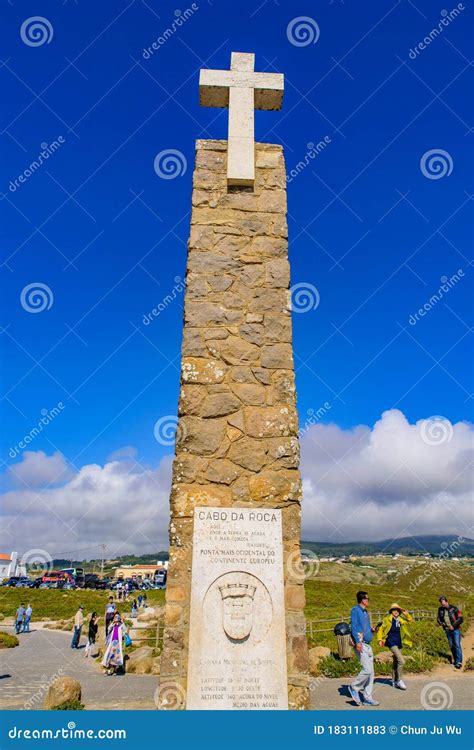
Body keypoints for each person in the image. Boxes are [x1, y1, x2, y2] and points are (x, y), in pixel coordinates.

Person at [349, 591, 379, 706]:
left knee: (371, 673)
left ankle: (367, 697)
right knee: (367, 670)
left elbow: (363, 627)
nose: (368, 600)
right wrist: (358, 642)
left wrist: (372, 630)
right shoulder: (355, 610)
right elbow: (354, 627)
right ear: (363, 599)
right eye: (367, 598)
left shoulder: (365, 612)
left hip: (368, 644)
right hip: (361, 644)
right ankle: (354, 687)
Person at [377, 603, 412, 690]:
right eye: (394, 610)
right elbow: (381, 629)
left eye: (397, 610)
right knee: (402, 661)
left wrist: (406, 614)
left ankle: (393, 680)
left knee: (396, 661)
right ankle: (399, 680)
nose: (396, 611)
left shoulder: (400, 619)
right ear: (391, 611)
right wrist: (380, 639)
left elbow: (409, 621)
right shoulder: (387, 619)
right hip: (391, 642)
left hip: (399, 642)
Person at [437, 596, 463, 669]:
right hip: (447, 630)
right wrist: (442, 624)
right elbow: (438, 619)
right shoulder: (440, 609)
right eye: (441, 603)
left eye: (443, 603)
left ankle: (459, 662)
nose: (443, 605)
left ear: (446, 601)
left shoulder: (454, 608)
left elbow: (461, 618)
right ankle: (455, 660)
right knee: (451, 645)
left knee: (457, 644)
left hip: (455, 629)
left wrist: (453, 626)